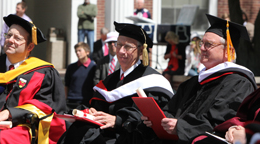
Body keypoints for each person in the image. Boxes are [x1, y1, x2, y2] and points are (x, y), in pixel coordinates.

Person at [141, 14, 257, 144]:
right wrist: (159, 121)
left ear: (228, 50)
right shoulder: (193, 82)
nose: (201, 48)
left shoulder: (239, 83)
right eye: (202, 43)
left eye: (209, 44)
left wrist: (180, 127)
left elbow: (220, 122)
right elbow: (170, 110)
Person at [58, 21, 174, 144]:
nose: (121, 51)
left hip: (131, 137)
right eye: (118, 45)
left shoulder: (153, 81)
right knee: (76, 132)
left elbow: (153, 119)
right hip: (105, 133)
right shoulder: (110, 80)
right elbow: (99, 107)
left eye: (127, 47)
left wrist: (118, 120)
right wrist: (91, 112)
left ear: (141, 51)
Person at [0, 14, 67, 144]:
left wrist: (10, 113)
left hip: (21, 126)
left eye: (17, 38)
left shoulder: (44, 72)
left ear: (30, 47)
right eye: (9, 35)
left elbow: (47, 106)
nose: (10, 40)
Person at [65, 42, 96, 109]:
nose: (77, 53)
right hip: (71, 101)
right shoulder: (71, 67)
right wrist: (66, 98)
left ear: (87, 52)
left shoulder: (94, 67)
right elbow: (67, 84)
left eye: (80, 50)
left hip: (87, 101)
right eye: (76, 51)